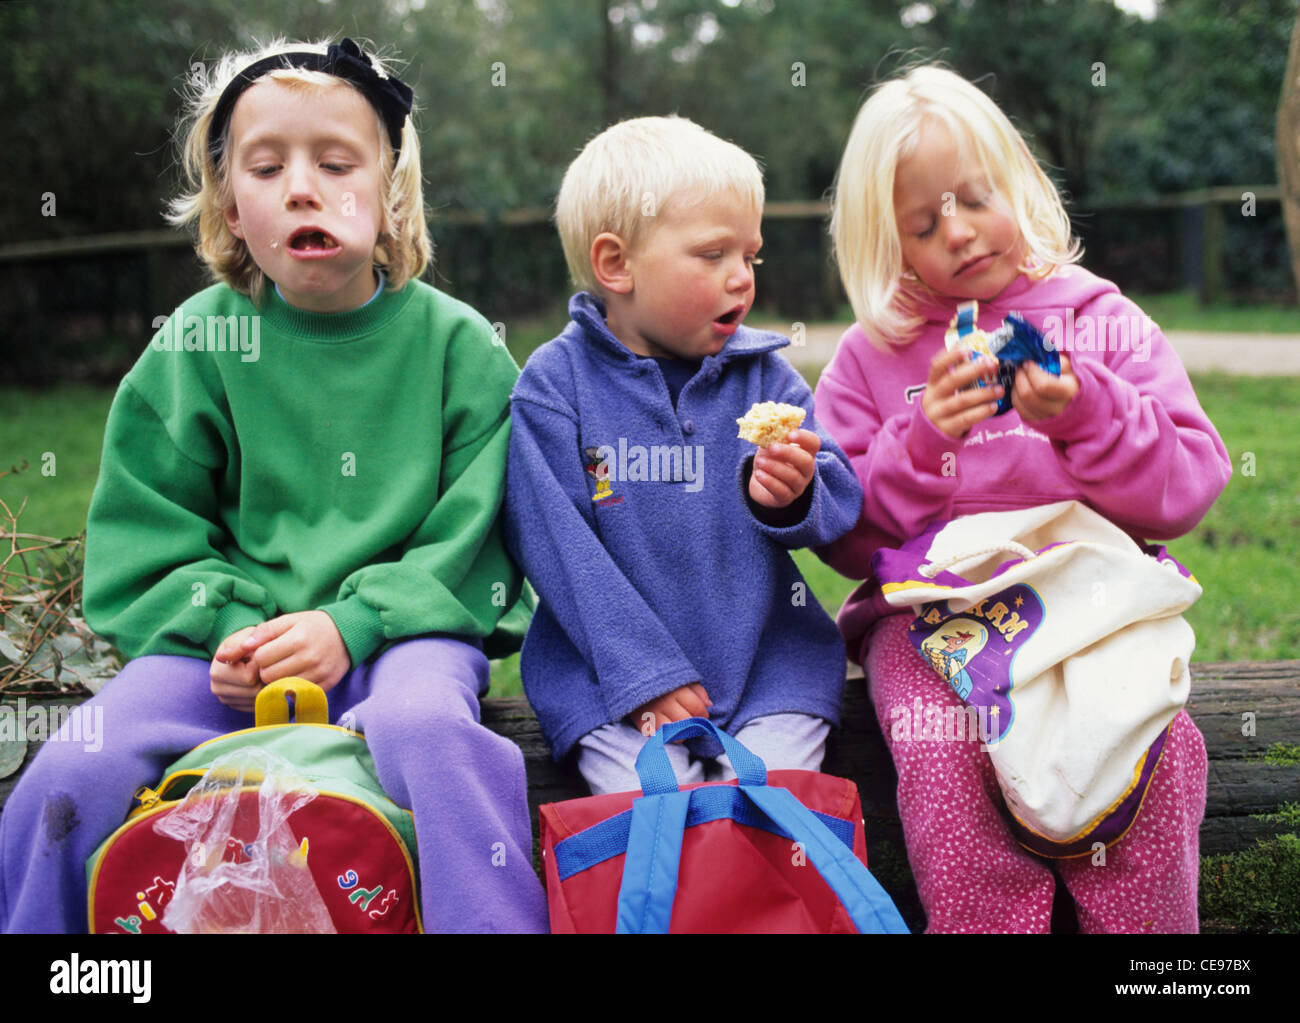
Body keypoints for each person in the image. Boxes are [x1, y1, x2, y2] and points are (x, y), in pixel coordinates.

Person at [0, 38, 547, 934]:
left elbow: (478, 536)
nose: (304, 186)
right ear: (228, 201)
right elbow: (149, 529)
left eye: (337, 162)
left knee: (436, 739)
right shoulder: (197, 342)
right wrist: (231, 630)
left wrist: (352, 623)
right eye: (267, 165)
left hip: (399, 637)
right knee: (71, 772)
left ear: (391, 189)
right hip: (222, 653)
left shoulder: (459, 347)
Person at [814, 65, 1231, 933]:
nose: (960, 234)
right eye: (924, 225)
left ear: (1022, 183)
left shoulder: (1099, 319)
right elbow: (845, 535)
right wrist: (924, 435)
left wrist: (1089, 413)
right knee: (942, 758)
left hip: (1092, 599)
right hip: (931, 624)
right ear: (887, 246)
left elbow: (1190, 482)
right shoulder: (870, 355)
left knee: (1161, 749)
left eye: (975, 199)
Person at [503, 116, 864, 794]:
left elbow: (839, 500)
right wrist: (643, 676)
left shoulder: (766, 378)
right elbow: (556, 548)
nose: (742, 278)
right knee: (655, 808)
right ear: (617, 265)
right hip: (611, 683)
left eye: (750, 257)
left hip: (768, 671)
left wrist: (797, 492)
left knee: (771, 808)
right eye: (712, 255)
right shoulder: (556, 390)